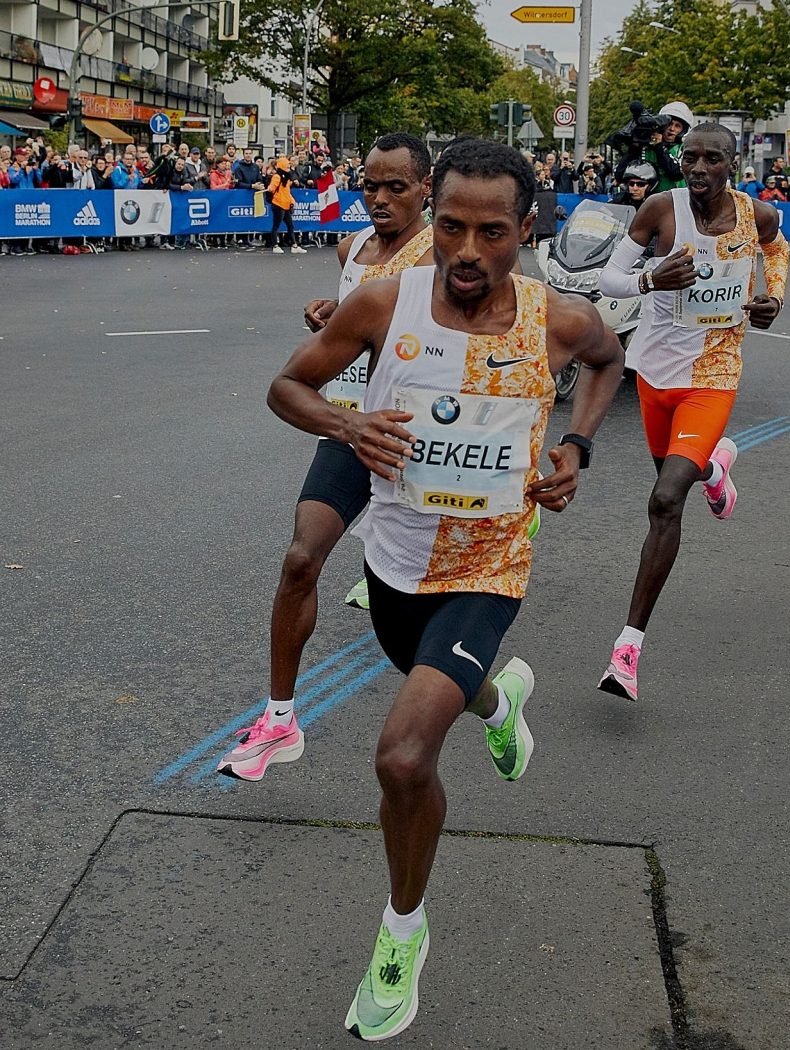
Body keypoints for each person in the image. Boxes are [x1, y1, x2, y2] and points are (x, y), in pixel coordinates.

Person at [265, 137, 624, 1041]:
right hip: (394, 564)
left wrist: (576, 446)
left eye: (491, 232)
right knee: (435, 678)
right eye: (453, 227)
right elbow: (287, 386)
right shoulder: (384, 304)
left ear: (525, 231)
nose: (467, 250)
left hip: (489, 568)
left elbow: (609, 359)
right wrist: (347, 425)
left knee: (402, 756)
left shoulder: (557, 320)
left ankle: (402, 932)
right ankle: (498, 700)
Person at [216, 133, 437, 782]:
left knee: (415, 609)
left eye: (396, 187)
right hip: (348, 426)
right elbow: (359, 321)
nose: (379, 198)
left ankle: (492, 697)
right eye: (370, 185)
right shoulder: (353, 248)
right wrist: (333, 316)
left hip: (416, 438)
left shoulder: (441, 255)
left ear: (426, 189)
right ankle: (279, 719)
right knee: (300, 560)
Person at [596, 122, 790, 700]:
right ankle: (714, 467)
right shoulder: (661, 209)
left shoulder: (756, 215)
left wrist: (774, 296)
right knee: (675, 476)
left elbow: (776, 250)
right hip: (655, 371)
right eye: (691, 157)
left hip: (714, 374)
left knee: (664, 500)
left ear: (733, 163)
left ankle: (627, 649)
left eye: (712, 159)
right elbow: (608, 278)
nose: (699, 168)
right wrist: (649, 280)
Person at [266, 156, 305, 254]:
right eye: (287, 166)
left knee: (290, 225)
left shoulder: (286, 178)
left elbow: (287, 192)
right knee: (276, 226)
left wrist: (291, 201)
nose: (289, 168)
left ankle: (294, 246)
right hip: (278, 204)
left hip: (285, 204)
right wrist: (270, 188)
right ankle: (275, 245)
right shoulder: (277, 176)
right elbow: (272, 188)